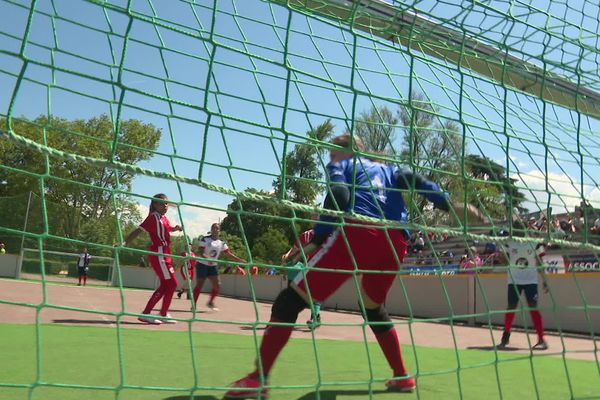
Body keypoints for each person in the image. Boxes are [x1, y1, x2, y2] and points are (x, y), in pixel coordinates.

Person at [224, 133, 487, 398]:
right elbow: (421, 183)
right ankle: (402, 376)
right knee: (372, 308)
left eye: (332, 152)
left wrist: (319, 237)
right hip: (396, 243)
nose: (331, 157)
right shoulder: (392, 170)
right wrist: (453, 205)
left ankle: (258, 379)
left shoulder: (343, 165)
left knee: (287, 302)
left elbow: (338, 195)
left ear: (346, 151)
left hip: (359, 233)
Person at [122, 193, 182, 325]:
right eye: (162, 203)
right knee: (171, 284)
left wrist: (175, 229)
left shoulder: (164, 218)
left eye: (166, 203)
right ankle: (148, 313)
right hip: (159, 254)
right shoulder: (153, 217)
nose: (165, 205)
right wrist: (125, 242)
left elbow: (165, 229)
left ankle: (162, 313)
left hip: (166, 253)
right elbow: (139, 230)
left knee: (168, 284)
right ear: (155, 204)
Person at [496, 221, 549, 350]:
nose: (517, 230)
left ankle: (541, 339)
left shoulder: (534, 243)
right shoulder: (509, 242)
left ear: (525, 228)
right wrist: (502, 255)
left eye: (520, 227)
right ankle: (505, 336)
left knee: (533, 308)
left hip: (531, 281)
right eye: (515, 227)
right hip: (514, 280)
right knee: (511, 307)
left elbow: (540, 262)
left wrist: (545, 279)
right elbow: (503, 260)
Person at [193, 223, 246, 311]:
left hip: (213, 266)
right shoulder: (205, 239)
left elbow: (228, 253)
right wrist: (208, 259)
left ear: (219, 230)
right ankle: (193, 304)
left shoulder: (221, 242)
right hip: (202, 265)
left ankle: (210, 302)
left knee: (217, 285)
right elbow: (201, 252)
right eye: (213, 228)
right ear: (211, 229)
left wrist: (239, 260)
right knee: (199, 285)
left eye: (217, 228)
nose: (215, 230)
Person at [281, 229, 322, 329]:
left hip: (324, 266)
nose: (315, 216)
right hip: (309, 266)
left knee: (314, 293)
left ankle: (315, 318)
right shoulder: (307, 235)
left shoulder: (331, 233)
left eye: (318, 214)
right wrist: (287, 255)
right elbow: (295, 249)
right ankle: (314, 318)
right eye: (314, 214)